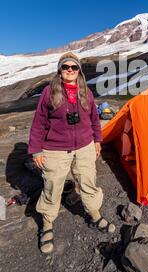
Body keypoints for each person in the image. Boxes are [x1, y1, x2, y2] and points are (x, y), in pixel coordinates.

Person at [28, 52, 115, 254]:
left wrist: (97, 140)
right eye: (65, 67)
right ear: (60, 70)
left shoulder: (87, 92)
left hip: (84, 146)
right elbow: (39, 123)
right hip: (55, 149)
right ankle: (47, 224)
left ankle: (94, 215)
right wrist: (36, 151)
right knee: (52, 185)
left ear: (79, 71)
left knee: (88, 181)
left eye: (73, 67)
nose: (69, 70)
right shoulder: (49, 93)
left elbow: (94, 118)